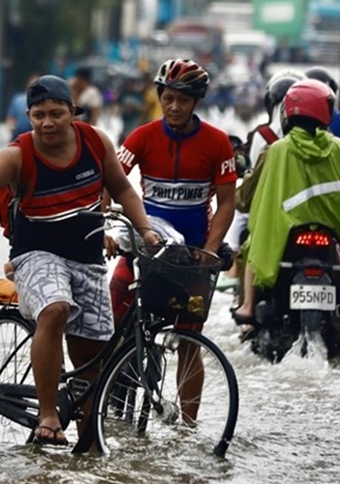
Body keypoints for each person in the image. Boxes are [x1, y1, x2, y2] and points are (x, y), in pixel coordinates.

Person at [0, 75, 161, 446]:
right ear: (29, 116)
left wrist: (145, 230)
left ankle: (89, 444)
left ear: (72, 111)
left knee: (90, 359)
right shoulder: (17, 155)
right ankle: (48, 415)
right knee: (54, 309)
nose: (47, 122)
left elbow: (121, 189)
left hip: (87, 259)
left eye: (56, 113)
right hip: (35, 255)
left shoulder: (95, 141)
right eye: (38, 115)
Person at [107, 58, 237, 422]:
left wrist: (209, 251)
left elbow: (228, 203)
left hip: (194, 254)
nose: (174, 107)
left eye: (183, 100)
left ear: (196, 102)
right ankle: (107, 398)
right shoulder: (142, 137)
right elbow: (112, 180)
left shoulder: (217, 143)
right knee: (113, 314)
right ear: (159, 97)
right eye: (167, 98)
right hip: (146, 246)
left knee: (188, 341)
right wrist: (104, 227)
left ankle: (188, 426)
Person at [232, 79, 340, 325]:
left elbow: (244, 198)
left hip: (283, 233)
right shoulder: (338, 149)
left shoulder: (275, 150)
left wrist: (241, 195)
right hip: (331, 233)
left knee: (251, 249)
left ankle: (248, 307)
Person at [219, 72, 302, 292]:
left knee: (242, 214)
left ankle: (235, 269)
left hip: (270, 212)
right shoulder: (329, 141)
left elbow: (252, 176)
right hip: (311, 212)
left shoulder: (264, 136)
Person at [5, 74, 40, 141]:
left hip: (35, 134)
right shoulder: (18, 99)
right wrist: (11, 127)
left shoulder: (43, 101)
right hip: (19, 133)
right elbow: (11, 116)